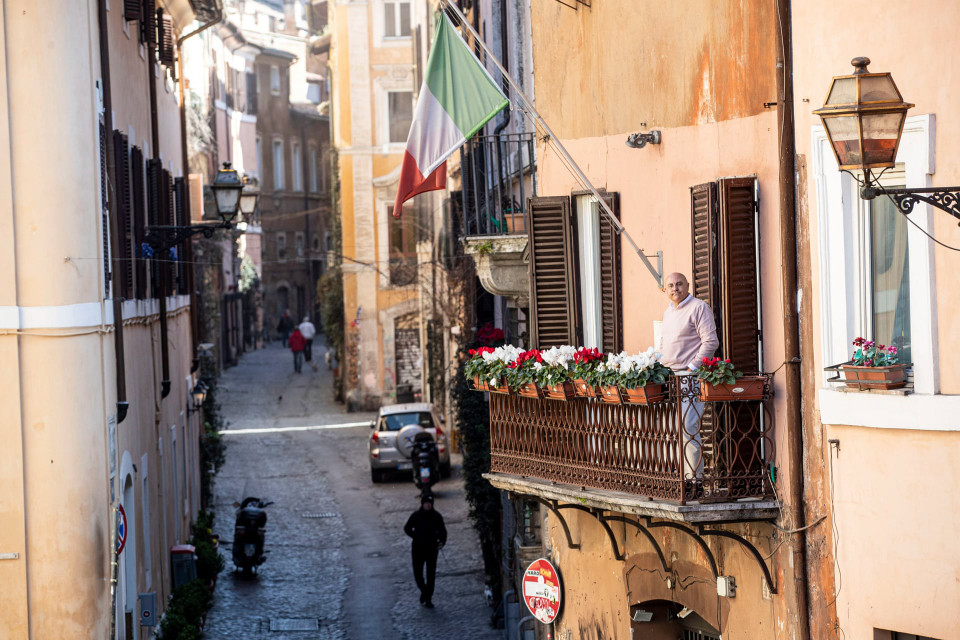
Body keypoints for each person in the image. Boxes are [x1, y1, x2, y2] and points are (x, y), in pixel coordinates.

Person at [660, 272, 719, 482]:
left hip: (689, 378)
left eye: (679, 284)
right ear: (665, 290)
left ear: (687, 285)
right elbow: (664, 345)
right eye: (670, 286)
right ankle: (679, 478)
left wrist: (691, 368)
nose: (675, 288)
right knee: (671, 431)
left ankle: (694, 482)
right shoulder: (668, 312)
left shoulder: (698, 307)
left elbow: (710, 342)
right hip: (669, 380)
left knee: (688, 429)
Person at [403, 494, 447, 608]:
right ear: (422, 504)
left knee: (430, 574)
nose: (428, 505)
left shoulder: (437, 516)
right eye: (426, 503)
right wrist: (416, 536)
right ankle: (424, 591)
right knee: (418, 573)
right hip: (418, 549)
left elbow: (443, 531)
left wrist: (441, 542)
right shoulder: (416, 516)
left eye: (430, 503)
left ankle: (428, 598)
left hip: (432, 549)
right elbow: (407, 528)